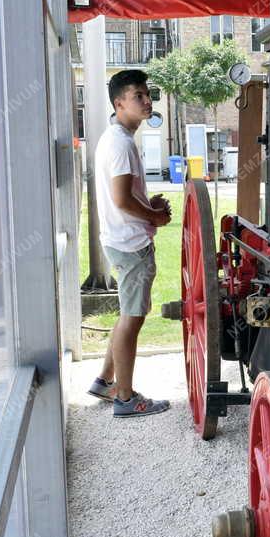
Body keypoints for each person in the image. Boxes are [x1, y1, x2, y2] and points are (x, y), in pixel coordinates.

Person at [87, 69, 172, 417]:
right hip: (131, 243)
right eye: (138, 95)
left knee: (126, 314)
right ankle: (125, 398)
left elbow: (124, 197)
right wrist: (153, 217)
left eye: (148, 93)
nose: (147, 99)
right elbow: (121, 200)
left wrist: (149, 206)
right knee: (132, 320)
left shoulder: (116, 137)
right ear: (118, 102)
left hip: (120, 239)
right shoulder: (121, 143)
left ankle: (105, 381)